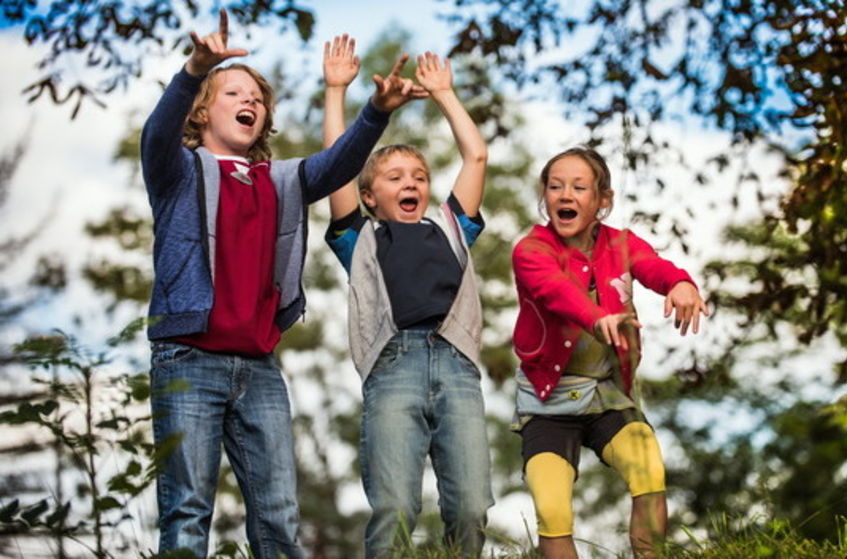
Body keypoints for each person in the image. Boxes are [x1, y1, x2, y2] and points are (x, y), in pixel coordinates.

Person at [140, 12, 409, 558]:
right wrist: (195, 69)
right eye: (233, 91)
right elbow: (157, 133)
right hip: (188, 359)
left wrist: (375, 111)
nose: (251, 102)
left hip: (259, 369)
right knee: (188, 511)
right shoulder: (178, 171)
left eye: (258, 99)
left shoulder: (280, 180)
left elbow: (337, 166)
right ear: (202, 110)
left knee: (279, 518)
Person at [322, 36, 494, 558]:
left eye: (418, 176)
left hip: (456, 362)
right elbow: (336, 162)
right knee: (396, 506)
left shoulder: (450, 226)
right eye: (395, 177)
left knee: (469, 507)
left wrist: (444, 94)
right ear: (371, 196)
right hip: (392, 366)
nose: (410, 182)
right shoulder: (361, 239)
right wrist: (336, 92)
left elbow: (477, 155)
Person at [511, 147, 709, 559]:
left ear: (603, 201)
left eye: (579, 187)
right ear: (545, 196)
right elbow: (554, 289)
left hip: (607, 397)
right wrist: (595, 315)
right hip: (549, 403)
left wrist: (680, 283)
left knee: (648, 468)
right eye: (556, 186)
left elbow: (652, 265)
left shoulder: (620, 243)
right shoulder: (531, 249)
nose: (566, 195)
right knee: (552, 507)